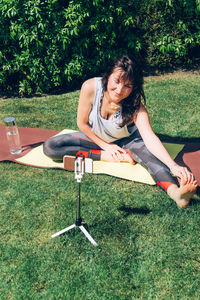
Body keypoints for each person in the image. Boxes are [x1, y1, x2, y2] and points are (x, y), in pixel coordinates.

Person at [43, 54, 197, 208]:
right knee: (51, 146)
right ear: (108, 76)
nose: (119, 90)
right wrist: (106, 149)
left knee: (151, 159)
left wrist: (173, 166)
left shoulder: (136, 107)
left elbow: (150, 138)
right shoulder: (90, 87)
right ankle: (106, 156)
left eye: (127, 86)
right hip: (97, 138)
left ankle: (177, 194)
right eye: (116, 81)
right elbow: (82, 124)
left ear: (133, 87)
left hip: (127, 142)